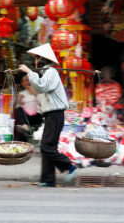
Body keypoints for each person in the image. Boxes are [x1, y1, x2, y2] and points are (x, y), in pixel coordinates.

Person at [18, 43, 77, 187]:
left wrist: (28, 72)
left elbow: (41, 87)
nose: (35, 62)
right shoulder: (47, 74)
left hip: (55, 114)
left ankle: (69, 166)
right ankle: (48, 179)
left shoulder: (51, 72)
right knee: (48, 146)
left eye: (37, 59)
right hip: (51, 115)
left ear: (43, 60)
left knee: (46, 147)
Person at [15, 74, 42, 141]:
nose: (26, 82)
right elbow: (17, 107)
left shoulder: (39, 91)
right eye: (24, 81)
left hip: (37, 115)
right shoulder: (21, 93)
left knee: (22, 125)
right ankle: (25, 127)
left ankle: (24, 128)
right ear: (22, 84)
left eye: (27, 80)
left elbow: (43, 103)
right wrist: (19, 102)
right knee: (19, 109)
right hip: (26, 116)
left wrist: (34, 93)